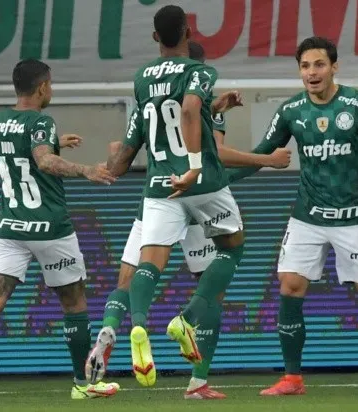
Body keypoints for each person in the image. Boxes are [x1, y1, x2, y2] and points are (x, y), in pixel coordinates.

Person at [225, 36, 358, 396]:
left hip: (354, 220)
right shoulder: (291, 112)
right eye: (305, 66)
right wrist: (216, 181)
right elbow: (261, 154)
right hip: (307, 216)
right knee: (290, 285)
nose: (312, 73)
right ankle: (292, 378)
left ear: (334, 67)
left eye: (319, 65)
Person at [86, 39, 290, 399]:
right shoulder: (200, 87)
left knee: (132, 275)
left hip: (156, 195)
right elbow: (216, 154)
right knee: (214, 285)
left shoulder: (146, 90)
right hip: (199, 199)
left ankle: (120, 327)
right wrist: (265, 160)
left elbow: (124, 151)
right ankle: (197, 376)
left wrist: (103, 166)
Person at [0, 59, 119, 401]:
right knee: (74, 302)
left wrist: (54, 142)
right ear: (41, 87)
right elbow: (42, 160)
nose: (51, 90)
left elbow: (25, 151)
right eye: (50, 85)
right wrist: (85, 169)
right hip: (50, 227)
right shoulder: (42, 121)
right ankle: (83, 385)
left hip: (11, 225)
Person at [104, 4, 251, 394]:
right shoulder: (199, 71)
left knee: (148, 262)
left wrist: (105, 169)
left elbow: (140, 139)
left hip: (158, 186)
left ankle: (138, 326)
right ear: (188, 31)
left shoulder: (141, 78)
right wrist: (193, 166)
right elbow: (187, 108)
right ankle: (186, 319)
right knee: (232, 247)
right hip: (201, 183)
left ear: (156, 38)